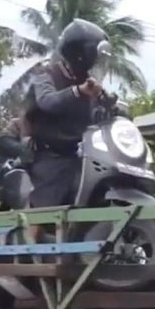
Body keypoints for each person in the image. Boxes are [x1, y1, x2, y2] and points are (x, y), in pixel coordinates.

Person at [22, 18, 109, 209]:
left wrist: (110, 104)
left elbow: (102, 107)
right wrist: (78, 92)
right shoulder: (46, 74)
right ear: (81, 54)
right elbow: (47, 101)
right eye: (93, 55)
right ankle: (33, 228)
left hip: (81, 156)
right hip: (51, 156)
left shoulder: (87, 80)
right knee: (44, 211)